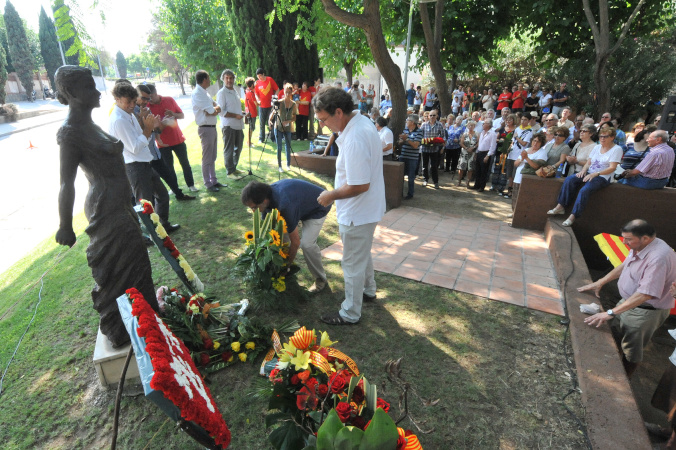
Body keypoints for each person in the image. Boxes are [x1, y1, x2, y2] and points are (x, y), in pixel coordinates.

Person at [55, 66, 159, 348]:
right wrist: (65, 225)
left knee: (136, 261)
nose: (98, 91)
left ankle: (146, 317)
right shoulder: (70, 133)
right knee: (119, 266)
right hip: (105, 209)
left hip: (121, 203)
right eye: (90, 87)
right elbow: (67, 184)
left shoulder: (91, 124)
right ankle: (121, 325)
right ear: (71, 93)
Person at [313, 87, 385, 325]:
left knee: (352, 263)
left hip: (358, 210)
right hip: (366, 209)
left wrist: (330, 195)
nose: (323, 126)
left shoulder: (355, 137)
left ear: (339, 112)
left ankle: (350, 312)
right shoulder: (361, 122)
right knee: (361, 252)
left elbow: (359, 185)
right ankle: (369, 290)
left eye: (324, 119)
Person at [580, 220, 676, 377]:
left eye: (628, 239)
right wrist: (601, 282)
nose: (624, 242)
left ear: (645, 238)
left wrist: (610, 312)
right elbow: (625, 264)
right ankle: (610, 367)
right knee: (616, 334)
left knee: (632, 351)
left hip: (645, 310)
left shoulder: (658, 259)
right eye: (623, 238)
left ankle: (623, 378)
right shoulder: (641, 246)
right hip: (629, 302)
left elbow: (646, 294)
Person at [109, 81, 182, 235]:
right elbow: (134, 147)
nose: (132, 105)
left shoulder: (128, 114)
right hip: (134, 166)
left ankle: (162, 226)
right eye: (128, 102)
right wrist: (148, 128)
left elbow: (142, 137)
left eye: (134, 101)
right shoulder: (119, 120)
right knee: (144, 203)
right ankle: (148, 234)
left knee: (161, 195)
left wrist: (144, 124)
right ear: (118, 99)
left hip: (144, 162)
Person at [241, 180, 332, 293]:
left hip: (318, 206)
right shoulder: (265, 196)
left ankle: (321, 279)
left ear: (264, 201)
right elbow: (270, 232)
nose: (253, 211)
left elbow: (296, 242)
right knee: (280, 238)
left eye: (254, 207)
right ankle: (281, 269)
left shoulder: (284, 204)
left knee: (307, 245)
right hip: (298, 204)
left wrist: (287, 265)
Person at [547, 126, 622, 227]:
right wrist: (583, 170)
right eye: (601, 136)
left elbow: (612, 168)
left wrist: (596, 174)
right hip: (590, 172)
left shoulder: (617, 149)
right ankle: (561, 206)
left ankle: (573, 216)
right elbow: (589, 162)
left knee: (585, 190)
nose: (602, 139)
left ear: (612, 137)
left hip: (603, 176)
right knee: (570, 179)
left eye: (605, 136)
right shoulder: (597, 147)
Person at [135, 85, 195, 202]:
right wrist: (161, 125)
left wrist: (169, 118)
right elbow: (148, 130)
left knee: (182, 165)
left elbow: (156, 128)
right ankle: (175, 191)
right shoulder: (141, 110)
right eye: (145, 98)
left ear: (156, 92)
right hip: (153, 150)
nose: (147, 101)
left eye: (149, 98)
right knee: (167, 171)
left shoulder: (166, 101)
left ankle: (185, 188)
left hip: (172, 142)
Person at [191, 70, 225, 192]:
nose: (210, 81)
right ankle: (208, 183)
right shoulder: (198, 93)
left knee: (213, 156)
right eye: (208, 78)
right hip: (205, 128)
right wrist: (213, 109)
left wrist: (213, 109)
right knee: (207, 158)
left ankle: (214, 180)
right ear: (204, 79)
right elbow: (211, 111)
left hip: (211, 127)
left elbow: (216, 107)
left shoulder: (204, 92)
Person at [216, 69, 244, 179]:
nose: (229, 80)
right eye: (227, 78)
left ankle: (234, 167)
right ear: (223, 79)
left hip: (238, 125)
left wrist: (241, 113)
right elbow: (221, 111)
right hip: (228, 126)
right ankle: (229, 172)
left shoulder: (234, 91)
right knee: (229, 149)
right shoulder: (221, 93)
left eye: (231, 78)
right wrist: (235, 115)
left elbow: (234, 107)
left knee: (238, 147)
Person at [512, 133, 548, 210]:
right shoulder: (526, 150)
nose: (535, 143)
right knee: (515, 196)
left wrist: (527, 158)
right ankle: (514, 212)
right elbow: (515, 163)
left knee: (525, 198)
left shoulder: (542, 152)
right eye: (534, 141)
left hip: (529, 179)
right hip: (518, 177)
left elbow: (536, 166)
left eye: (538, 141)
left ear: (541, 143)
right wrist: (522, 158)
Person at [270, 83, 297, 172]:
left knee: (288, 146)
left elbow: (294, 117)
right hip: (278, 127)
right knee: (279, 147)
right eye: (286, 92)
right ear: (283, 92)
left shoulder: (293, 104)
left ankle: (288, 164)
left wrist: (288, 121)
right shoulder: (280, 102)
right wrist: (270, 121)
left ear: (291, 93)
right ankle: (280, 166)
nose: (287, 94)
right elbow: (273, 113)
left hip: (288, 128)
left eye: (289, 92)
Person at [420, 109, 445, 189]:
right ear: (428, 116)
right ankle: (425, 180)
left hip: (434, 149)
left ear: (437, 116)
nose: (432, 117)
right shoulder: (424, 125)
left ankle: (435, 182)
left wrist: (439, 141)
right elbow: (420, 135)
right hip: (425, 149)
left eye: (434, 115)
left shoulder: (440, 125)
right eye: (430, 115)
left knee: (434, 166)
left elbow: (443, 136)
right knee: (424, 166)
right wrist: (423, 141)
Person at [398, 114, 423, 199]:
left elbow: (416, 145)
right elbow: (401, 142)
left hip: (412, 158)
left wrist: (407, 139)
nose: (406, 122)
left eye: (407, 120)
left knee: (411, 177)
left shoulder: (419, 132)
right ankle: (399, 193)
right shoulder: (405, 130)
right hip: (403, 156)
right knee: (400, 176)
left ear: (412, 122)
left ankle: (410, 194)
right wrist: (401, 140)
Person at [471, 121, 498, 191]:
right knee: (478, 170)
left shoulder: (492, 134)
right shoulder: (482, 133)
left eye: (484, 123)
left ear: (489, 125)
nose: (482, 125)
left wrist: (488, 156)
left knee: (484, 171)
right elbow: (479, 144)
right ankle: (476, 184)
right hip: (479, 152)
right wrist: (477, 153)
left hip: (486, 153)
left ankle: (482, 186)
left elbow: (492, 146)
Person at [254, 68, 279, 142]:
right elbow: (256, 93)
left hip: (270, 106)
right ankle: (261, 138)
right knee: (261, 123)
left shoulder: (270, 80)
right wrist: (258, 99)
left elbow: (277, 89)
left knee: (272, 122)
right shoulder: (257, 83)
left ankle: (273, 137)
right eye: (258, 76)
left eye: (260, 76)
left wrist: (274, 98)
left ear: (263, 74)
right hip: (262, 106)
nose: (259, 78)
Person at [458, 120, 478, 187]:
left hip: (472, 152)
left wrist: (473, 147)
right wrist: (466, 148)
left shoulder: (477, 134)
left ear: (474, 126)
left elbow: (478, 143)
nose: (470, 127)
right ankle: (459, 181)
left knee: (470, 168)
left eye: (472, 125)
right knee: (461, 167)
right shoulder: (465, 134)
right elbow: (461, 142)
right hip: (464, 152)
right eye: (469, 125)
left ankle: (468, 182)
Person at [244, 77, 258, 146]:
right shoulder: (251, 93)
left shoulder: (247, 91)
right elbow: (256, 103)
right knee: (251, 128)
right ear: (252, 85)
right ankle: (249, 142)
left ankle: (249, 141)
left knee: (250, 127)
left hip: (248, 112)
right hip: (252, 112)